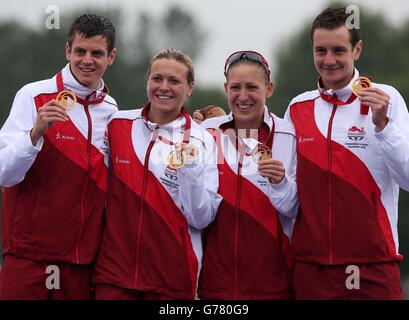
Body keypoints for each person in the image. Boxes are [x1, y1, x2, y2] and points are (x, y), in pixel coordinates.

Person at [285, 7, 409, 299]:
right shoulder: (297, 107)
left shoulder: (386, 99)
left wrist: (383, 126)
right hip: (311, 268)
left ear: (358, 50)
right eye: (320, 50)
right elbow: (288, 194)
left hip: (373, 265)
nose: (328, 60)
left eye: (338, 50)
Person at [0, 14, 117, 300]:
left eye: (97, 53)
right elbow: (4, 173)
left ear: (111, 57)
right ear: (68, 51)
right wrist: (34, 133)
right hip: (29, 259)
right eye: (80, 51)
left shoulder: (112, 110)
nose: (87, 60)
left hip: (81, 264)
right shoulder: (33, 95)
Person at [93, 48, 222, 300]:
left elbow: (201, 218)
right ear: (148, 81)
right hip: (114, 276)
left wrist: (190, 170)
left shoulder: (202, 140)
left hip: (171, 281)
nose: (164, 87)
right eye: (157, 78)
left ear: (190, 87)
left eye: (174, 81)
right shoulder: (117, 124)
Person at [197, 51, 299, 299]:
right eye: (235, 87)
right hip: (214, 286)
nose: (243, 97)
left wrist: (281, 183)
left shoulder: (288, 134)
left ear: (269, 88)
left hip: (272, 286)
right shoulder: (206, 131)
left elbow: (296, 209)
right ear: (225, 88)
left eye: (252, 87)